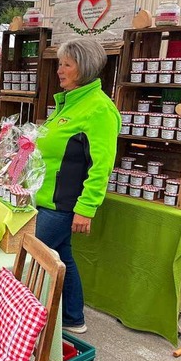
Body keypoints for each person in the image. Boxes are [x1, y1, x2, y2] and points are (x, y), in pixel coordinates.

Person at [35, 37, 121, 335]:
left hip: (63, 204)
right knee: (63, 257)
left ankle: (25, 320)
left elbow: (102, 165)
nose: (60, 70)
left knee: (33, 256)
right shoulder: (69, 102)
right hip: (46, 199)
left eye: (66, 65)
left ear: (83, 68)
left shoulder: (99, 109)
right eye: (60, 64)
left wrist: (86, 208)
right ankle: (73, 317)